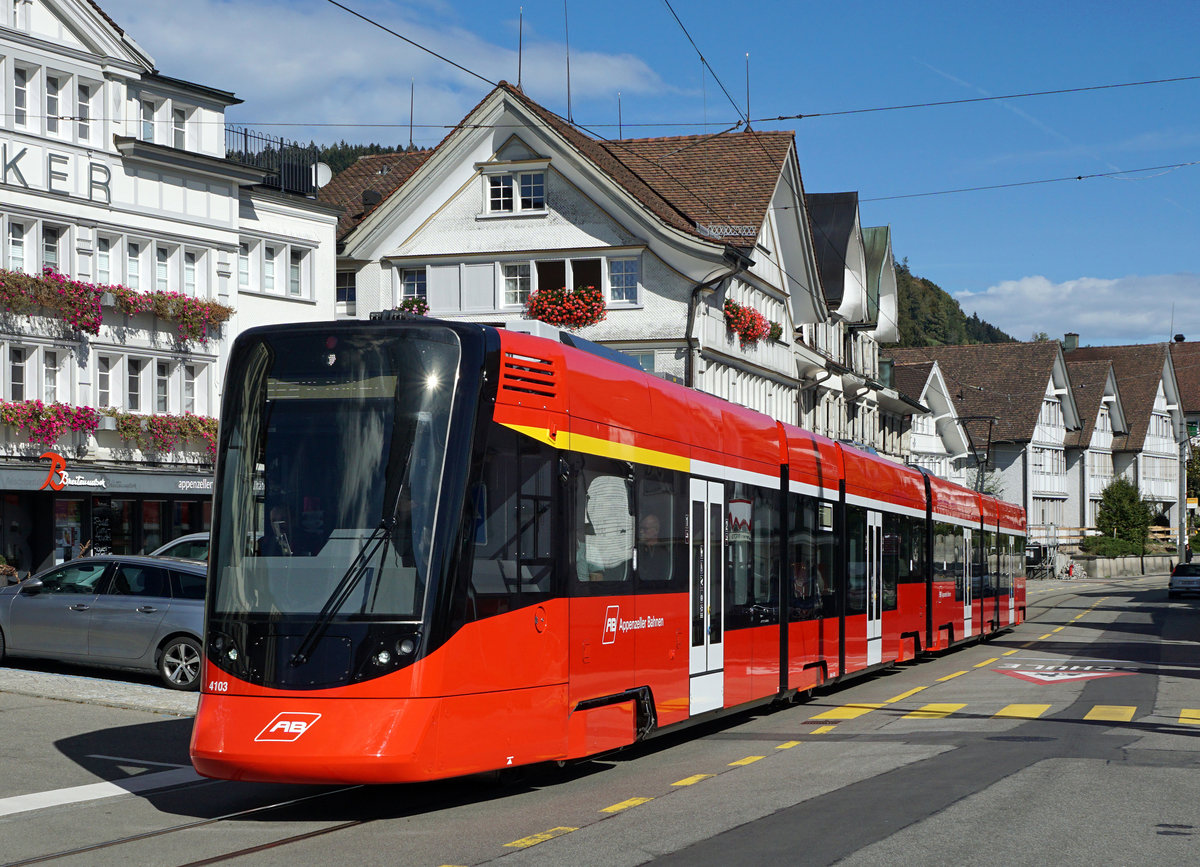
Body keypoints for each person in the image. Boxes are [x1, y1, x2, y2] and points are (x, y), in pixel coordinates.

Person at [636, 513, 671, 582]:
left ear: (656, 531)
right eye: (640, 528)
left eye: (645, 529)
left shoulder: (664, 553)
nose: (641, 531)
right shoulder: (638, 549)